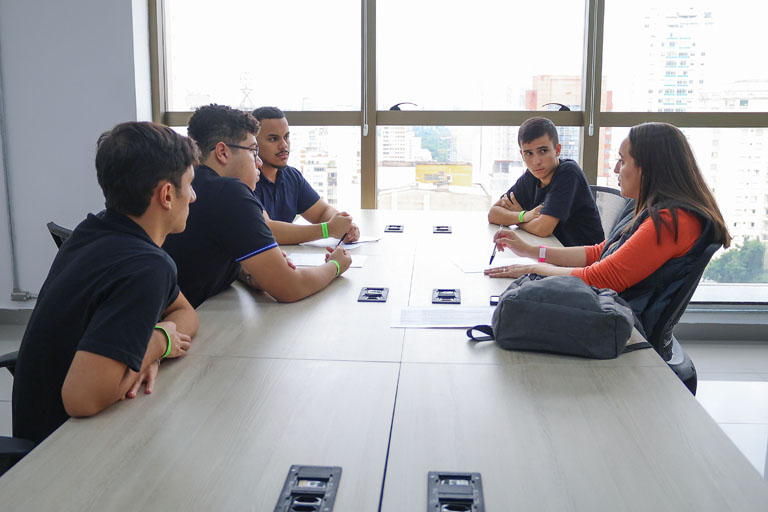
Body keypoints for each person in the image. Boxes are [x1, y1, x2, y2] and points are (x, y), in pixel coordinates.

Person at [12, 122, 200, 445]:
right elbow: (81, 399)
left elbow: (186, 314)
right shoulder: (147, 267)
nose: (194, 197)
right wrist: (157, 344)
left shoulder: (94, 231)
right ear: (167, 195)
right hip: (59, 450)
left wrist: (151, 346)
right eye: (190, 185)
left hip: (39, 428)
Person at [485, 122, 730, 348]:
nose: (615, 169)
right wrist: (532, 252)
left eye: (622, 161)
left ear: (648, 167)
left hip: (621, 325)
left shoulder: (669, 222)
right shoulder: (652, 209)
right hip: (611, 309)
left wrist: (533, 270)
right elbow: (601, 251)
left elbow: (601, 278)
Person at [163, 104, 352, 307]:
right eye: (253, 151)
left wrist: (251, 273)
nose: (259, 162)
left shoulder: (193, 183)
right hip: (186, 319)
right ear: (222, 152)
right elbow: (290, 287)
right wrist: (336, 265)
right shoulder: (229, 193)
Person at [251, 106, 360, 245]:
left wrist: (344, 225)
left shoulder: (291, 176)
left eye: (286, 137)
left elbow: (322, 212)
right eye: (273, 139)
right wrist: (327, 229)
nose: (284, 145)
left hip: (285, 255)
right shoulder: (247, 180)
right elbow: (268, 231)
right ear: (254, 144)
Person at [488, 117, 604, 246]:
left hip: (583, 256)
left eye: (543, 151)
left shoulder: (569, 173)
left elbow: (542, 229)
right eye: (529, 153)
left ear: (557, 150)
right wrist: (524, 215)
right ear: (522, 155)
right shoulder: (531, 176)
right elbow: (493, 214)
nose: (536, 162)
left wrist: (517, 220)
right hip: (550, 250)